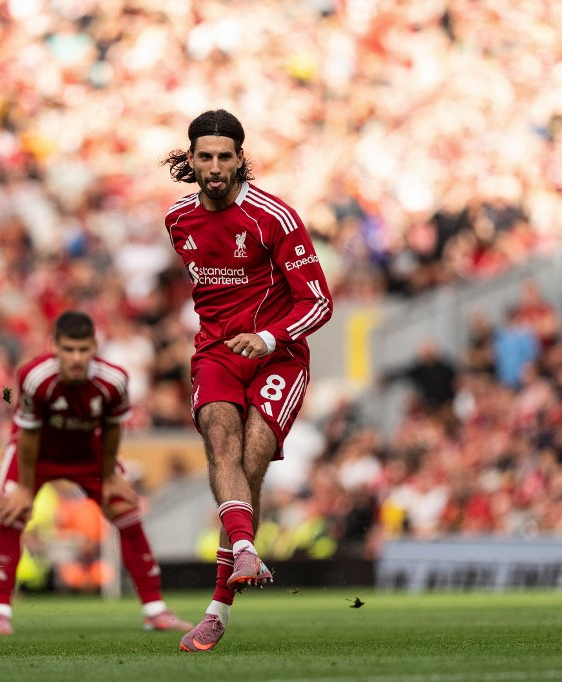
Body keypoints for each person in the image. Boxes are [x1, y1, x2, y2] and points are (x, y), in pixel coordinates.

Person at [162, 109, 333, 652]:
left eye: (225, 156)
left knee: (250, 461)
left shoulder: (273, 218)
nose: (215, 167)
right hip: (215, 353)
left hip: (276, 355)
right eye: (205, 156)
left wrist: (267, 336)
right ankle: (244, 551)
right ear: (191, 159)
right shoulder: (177, 221)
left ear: (241, 159)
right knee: (220, 442)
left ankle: (218, 608)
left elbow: (320, 301)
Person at [0, 311, 192, 635]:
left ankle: (155, 611)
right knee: (13, 513)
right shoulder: (34, 376)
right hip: (37, 452)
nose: (76, 358)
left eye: (83, 349)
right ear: (54, 347)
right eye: (69, 349)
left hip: (87, 451)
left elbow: (112, 429)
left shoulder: (114, 380)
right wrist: (25, 487)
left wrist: (110, 475)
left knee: (127, 512)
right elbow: (27, 434)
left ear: (95, 346)